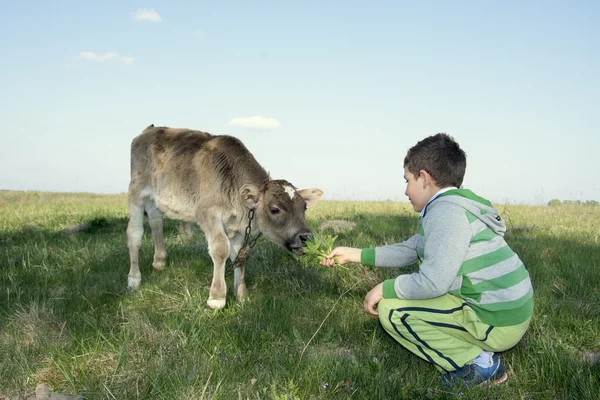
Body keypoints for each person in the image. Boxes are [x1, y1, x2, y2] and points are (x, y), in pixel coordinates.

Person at [321, 133, 533, 388]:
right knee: (407, 300)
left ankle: (481, 365)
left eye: (408, 180)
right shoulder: (453, 205)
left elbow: (434, 283)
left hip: (496, 322)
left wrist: (385, 288)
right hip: (505, 312)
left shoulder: (447, 213)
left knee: (393, 310)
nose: (405, 190)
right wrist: (355, 254)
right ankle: (476, 351)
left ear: (424, 178)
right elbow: (413, 248)